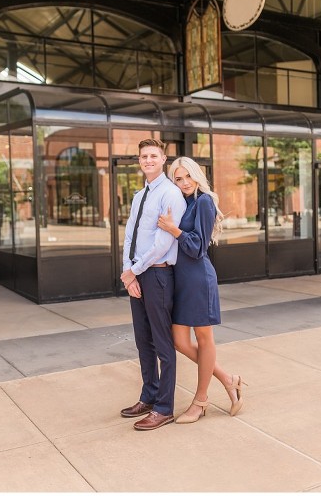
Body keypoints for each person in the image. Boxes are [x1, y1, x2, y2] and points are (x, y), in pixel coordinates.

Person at [157, 157, 245, 423]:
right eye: (178, 179)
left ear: (197, 175)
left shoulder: (204, 201)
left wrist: (174, 230)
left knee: (204, 339)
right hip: (179, 280)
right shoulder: (181, 202)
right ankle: (228, 379)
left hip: (197, 279)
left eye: (188, 176)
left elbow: (197, 247)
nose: (184, 182)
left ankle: (200, 401)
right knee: (180, 342)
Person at [119, 138, 187, 431]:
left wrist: (134, 271)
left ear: (163, 160)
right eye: (144, 156)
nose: (148, 160)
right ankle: (148, 396)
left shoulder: (171, 194)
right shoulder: (139, 196)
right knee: (142, 340)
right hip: (137, 274)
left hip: (157, 275)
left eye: (153, 156)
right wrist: (128, 271)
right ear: (139, 161)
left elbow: (163, 243)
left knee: (162, 344)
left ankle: (164, 408)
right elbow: (129, 236)